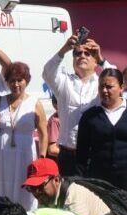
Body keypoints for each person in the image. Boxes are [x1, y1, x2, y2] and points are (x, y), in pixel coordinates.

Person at [76, 68, 127, 193]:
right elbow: (82, 152)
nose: (104, 90)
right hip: (99, 183)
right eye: (101, 86)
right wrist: (80, 181)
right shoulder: (89, 116)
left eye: (109, 87)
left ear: (121, 87)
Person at [43, 32, 114, 176]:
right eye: (77, 53)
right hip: (68, 156)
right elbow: (47, 72)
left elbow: (117, 79)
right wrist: (64, 49)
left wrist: (101, 59)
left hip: (94, 155)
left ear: (95, 61)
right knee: (69, 197)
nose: (82, 55)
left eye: (88, 53)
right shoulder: (64, 82)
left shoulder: (102, 83)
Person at [0, 61, 47, 212]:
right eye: (12, 80)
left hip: (26, 155)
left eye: (20, 80)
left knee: (24, 192)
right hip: (1, 156)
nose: (16, 84)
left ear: (27, 81)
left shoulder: (35, 103)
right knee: (1, 189)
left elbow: (43, 133)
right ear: (6, 82)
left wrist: (42, 158)